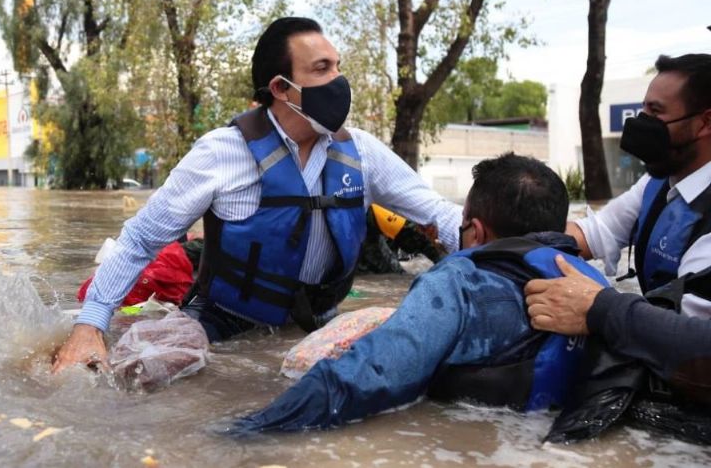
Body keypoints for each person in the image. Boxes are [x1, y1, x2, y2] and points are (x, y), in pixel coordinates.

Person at [51, 17, 462, 373]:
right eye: (322, 69)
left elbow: (441, 215)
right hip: (221, 320)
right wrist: (89, 326)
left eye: (338, 67)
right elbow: (140, 240)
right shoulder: (221, 153)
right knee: (150, 366)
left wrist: (517, 258)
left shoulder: (363, 152)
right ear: (282, 88)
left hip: (318, 321)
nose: (339, 81)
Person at [232, 153, 611, 433]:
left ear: (475, 232)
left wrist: (247, 429)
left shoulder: (460, 282)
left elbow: (369, 374)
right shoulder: (594, 286)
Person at [524, 54, 711, 443]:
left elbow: (700, 347)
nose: (641, 123)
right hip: (655, 353)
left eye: (655, 113)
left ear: (705, 122)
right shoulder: (658, 184)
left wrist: (598, 309)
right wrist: (510, 233)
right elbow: (589, 234)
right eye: (642, 108)